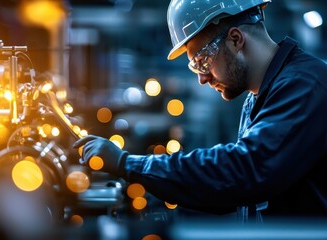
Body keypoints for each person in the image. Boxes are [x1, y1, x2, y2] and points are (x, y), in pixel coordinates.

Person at [73, 0, 327, 221]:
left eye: (202, 61)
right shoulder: (260, 95)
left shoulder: (304, 86)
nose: (202, 79)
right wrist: (158, 188)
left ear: (236, 39)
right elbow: (233, 193)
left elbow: (245, 170)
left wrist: (128, 164)